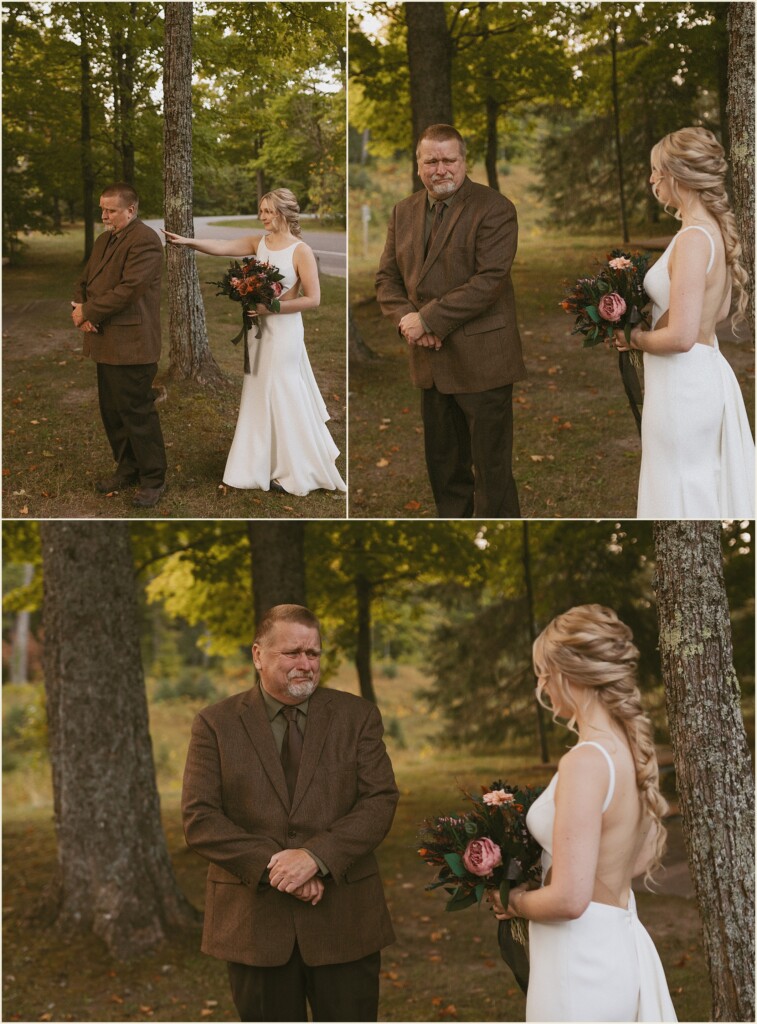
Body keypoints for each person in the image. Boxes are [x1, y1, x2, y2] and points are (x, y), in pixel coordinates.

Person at [182, 604, 399, 1023]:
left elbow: (379, 801)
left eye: (313, 653)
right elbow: (200, 818)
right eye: (292, 653)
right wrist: (279, 870)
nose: (305, 664)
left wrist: (315, 858)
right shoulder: (214, 724)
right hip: (254, 925)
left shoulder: (357, 717)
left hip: (344, 922)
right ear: (258, 655)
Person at [492, 605, 677, 1022]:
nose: (542, 686)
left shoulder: (585, 762)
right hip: (615, 940)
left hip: (579, 962)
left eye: (544, 673)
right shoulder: (627, 750)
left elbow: (571, 900)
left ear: (569, 675)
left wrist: (513, 900)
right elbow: (641, 857)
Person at [375, 123, 526, 518]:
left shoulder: (494, 208)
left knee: (492, 473)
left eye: (449, 160)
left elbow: (489, 281)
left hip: (484, 361)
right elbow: (387, 277)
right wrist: (409, 319)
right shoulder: (403, 211)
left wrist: (428, 320)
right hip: (430, 363)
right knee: (445, 471)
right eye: (431, 161)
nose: (440, 169)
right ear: (419, 164)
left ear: (463, 161)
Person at [164, 189, 346, 496]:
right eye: (260, 211)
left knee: (284, 390)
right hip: (257, 331)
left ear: (284, 213)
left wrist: (271, 307)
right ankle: (262, 462)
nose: (262, 216)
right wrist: (187, 242)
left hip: (285, 331)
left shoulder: (300, 250)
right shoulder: (258, 242)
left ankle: (297, 466)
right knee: (260, 391)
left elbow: (313, 299)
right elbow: (222, 246)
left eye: (267, 211)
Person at [614, 127, 755, 517]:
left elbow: (681, 338)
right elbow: (718, 312)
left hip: (683, 387)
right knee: (693, 480)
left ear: (678, 175)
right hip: (703, 374)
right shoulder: (710, 230)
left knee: (680, 486)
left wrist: (634, 339)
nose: (652, 179)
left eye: (657, 170)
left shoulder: (694, 238)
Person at [72, 182, 167, 508]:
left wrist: (89, 310)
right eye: (102, 209)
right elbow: (85, 280)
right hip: (103, 338)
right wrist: (81, 311)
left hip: (133, 344)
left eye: (111, 210)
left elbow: (130, 289)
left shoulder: (146, 241)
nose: (104, 215)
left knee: (137, 413)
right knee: (112, 413)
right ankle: (128, 468)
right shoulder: (104, 239)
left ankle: (153, 478)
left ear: (131, 210)